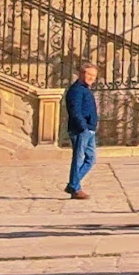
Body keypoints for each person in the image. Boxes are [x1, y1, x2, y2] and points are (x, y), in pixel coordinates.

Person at [63, 63, 99, 200]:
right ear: (81, 74)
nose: (91, 78)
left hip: (89, 130)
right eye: (89, 74)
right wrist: (83, 126)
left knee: (90, 159)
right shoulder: (76, 90)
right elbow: (74, 110)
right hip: (80, 130)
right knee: (78, 159)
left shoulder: (85, 89)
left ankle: (73, 184)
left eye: (94, 76)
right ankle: (75, 188)